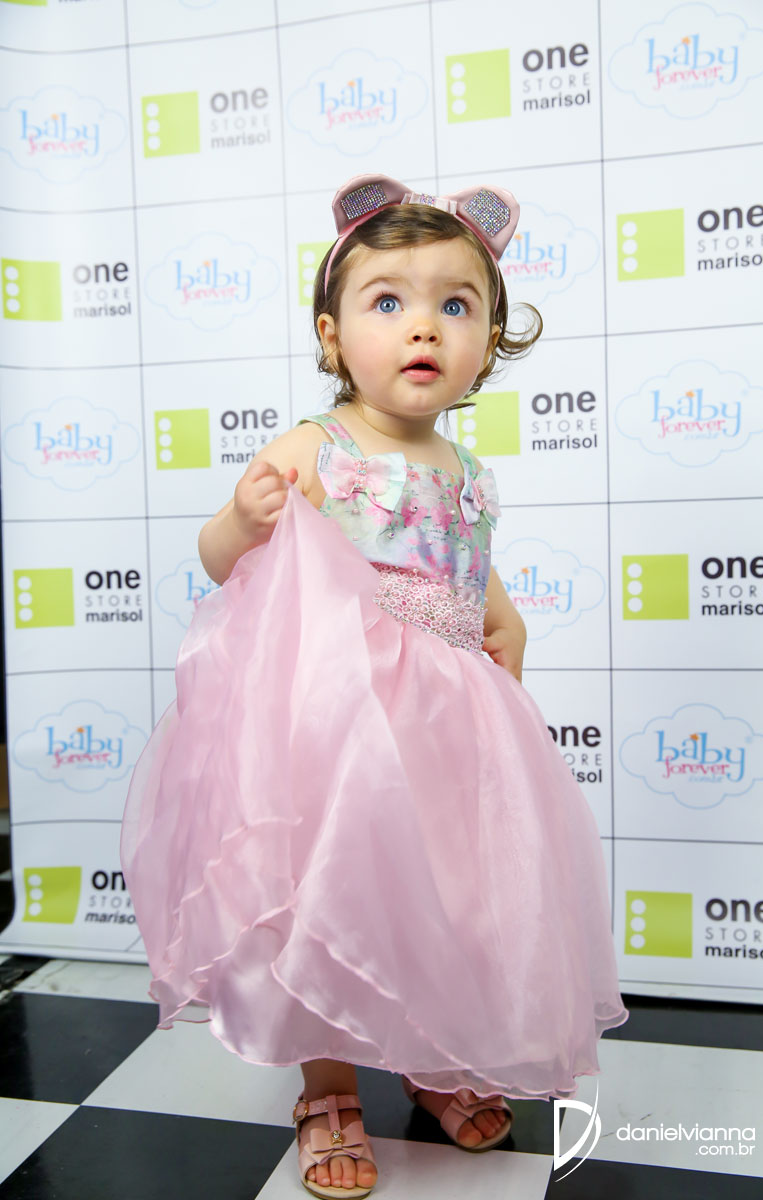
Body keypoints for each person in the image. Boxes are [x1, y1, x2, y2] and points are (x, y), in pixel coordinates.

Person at [121, 174, 628, 1199]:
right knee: (330, 896)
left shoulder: (465, 469)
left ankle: (433, 1056)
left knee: (447, 895)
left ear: (490, 339)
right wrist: (242, 518)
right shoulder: (321, 448)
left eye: (456, 304)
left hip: (448, 732)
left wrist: (503, 616)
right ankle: (328, 1089)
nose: (423, 326)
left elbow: (466, 568)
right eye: (387, 301)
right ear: (332, 334)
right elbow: (222, 561)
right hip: (341, 731)